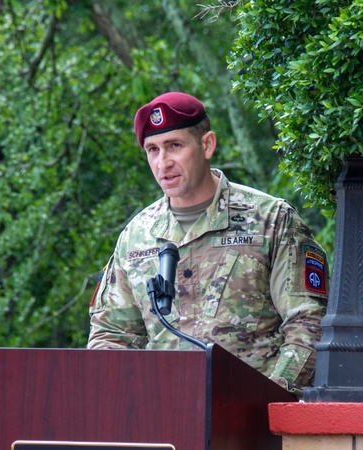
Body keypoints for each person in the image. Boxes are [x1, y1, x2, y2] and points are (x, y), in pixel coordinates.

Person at [87, 92, 328, 394]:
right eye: (152, 150)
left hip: (251, 421)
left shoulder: (270, 220)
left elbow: (309, 323)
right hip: (163, 416)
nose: (163, 162)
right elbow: (112, 335)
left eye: (174, 146)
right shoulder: (136, 236)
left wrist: (268, 400)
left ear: (207, 145)